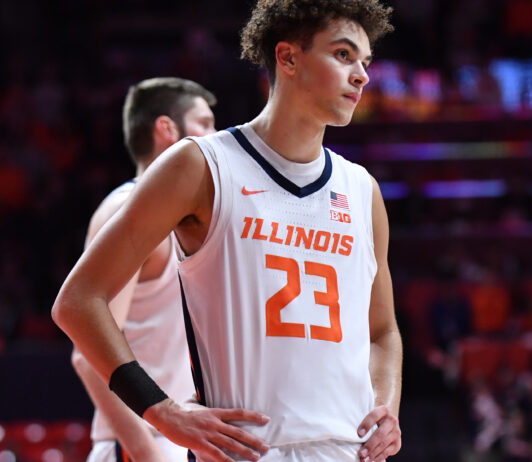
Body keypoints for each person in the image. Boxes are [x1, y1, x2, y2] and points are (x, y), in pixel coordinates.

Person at [52, 1, 402, 461]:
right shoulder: (201, 164)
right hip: (247, 450)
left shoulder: (362, 190)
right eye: (342, 55)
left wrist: (386, 407)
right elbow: (79, 301)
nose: (361, 75)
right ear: (288, 58)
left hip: (349, 451)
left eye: (365, 62)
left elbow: (382, 332)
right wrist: (162, 412)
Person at [73, 77, 217, 462]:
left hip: (185, 437)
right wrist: (146, 451)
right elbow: (87, 354)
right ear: (167, 130)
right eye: (204, 124)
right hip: (145, 441)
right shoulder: (125, 209)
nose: (215, 136)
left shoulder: (194, 220)